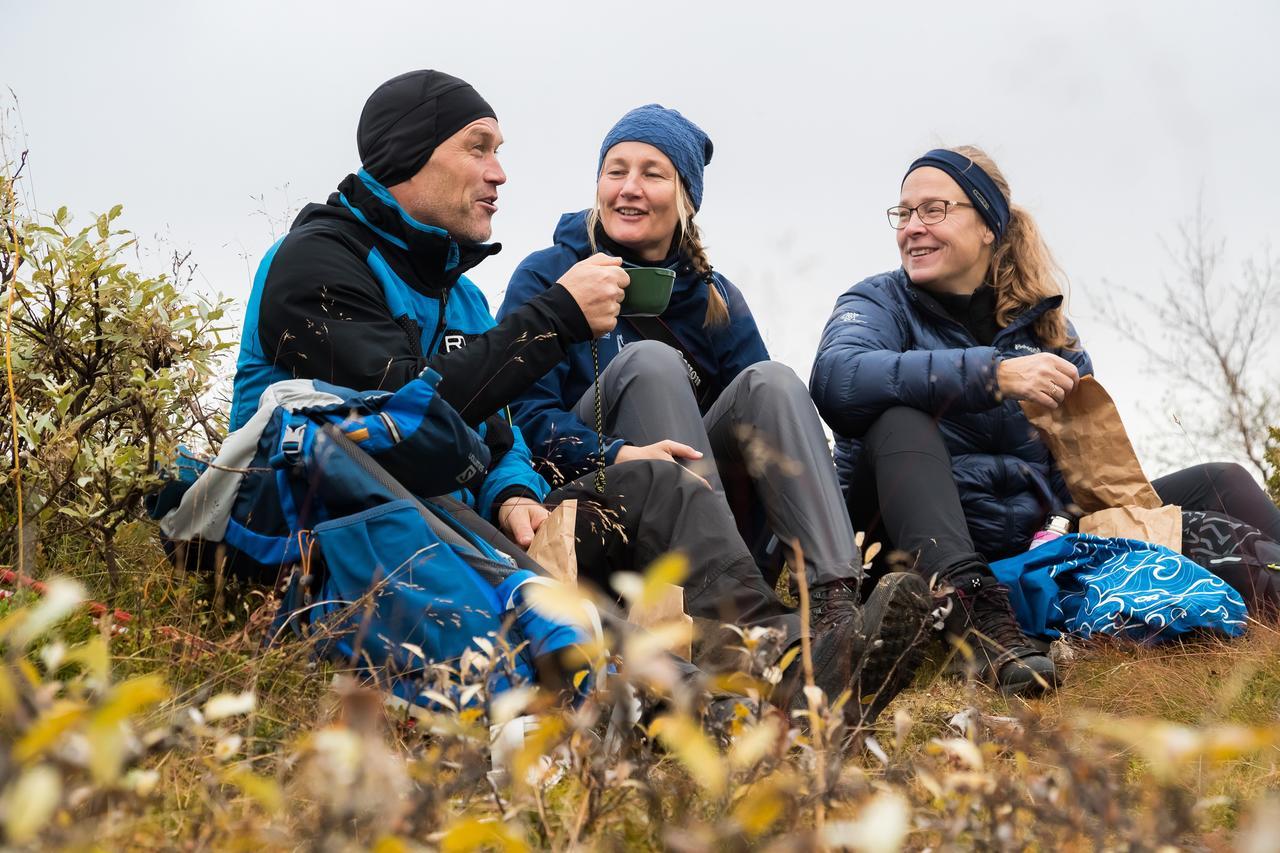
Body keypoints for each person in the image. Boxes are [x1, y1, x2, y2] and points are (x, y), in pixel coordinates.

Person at [228, 70, 913, 725]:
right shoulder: (313, 264)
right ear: (409, 153)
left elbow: (500, 434)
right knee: (570, 591)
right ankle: (712, 701)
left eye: (500, 153)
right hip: (348, 539)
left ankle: (789, 663)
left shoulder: (462, 294)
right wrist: (557, 317)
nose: (500, 173)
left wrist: (513, 490)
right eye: (480, 149)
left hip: (470, 528)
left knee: (658, 482)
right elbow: (408, 416)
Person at [498, 105, 932, 708]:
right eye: (615, 169)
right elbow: (519, 416)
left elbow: (768, 429)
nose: (628, 187)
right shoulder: (548, 276)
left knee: (772, 382)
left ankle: (835, 610)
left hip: (719, 520)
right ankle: (718, 625)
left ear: (685, 199)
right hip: (605, 516)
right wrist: (618, 450)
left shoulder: (715, 296)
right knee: (651, 365)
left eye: (652, 173)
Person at [810, 145, 1280, 696]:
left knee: (1223, 482)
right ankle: (979, 622)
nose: (913, 227)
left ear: (989, 225)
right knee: (898, 418)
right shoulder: (877, 302)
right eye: (904, 213)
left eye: (933, 210)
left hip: (1033, 542)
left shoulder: (1048, 329)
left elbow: (1078, 470)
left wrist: (1076, 525)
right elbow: (837, 378)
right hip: (915, 547)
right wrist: (995, 375)